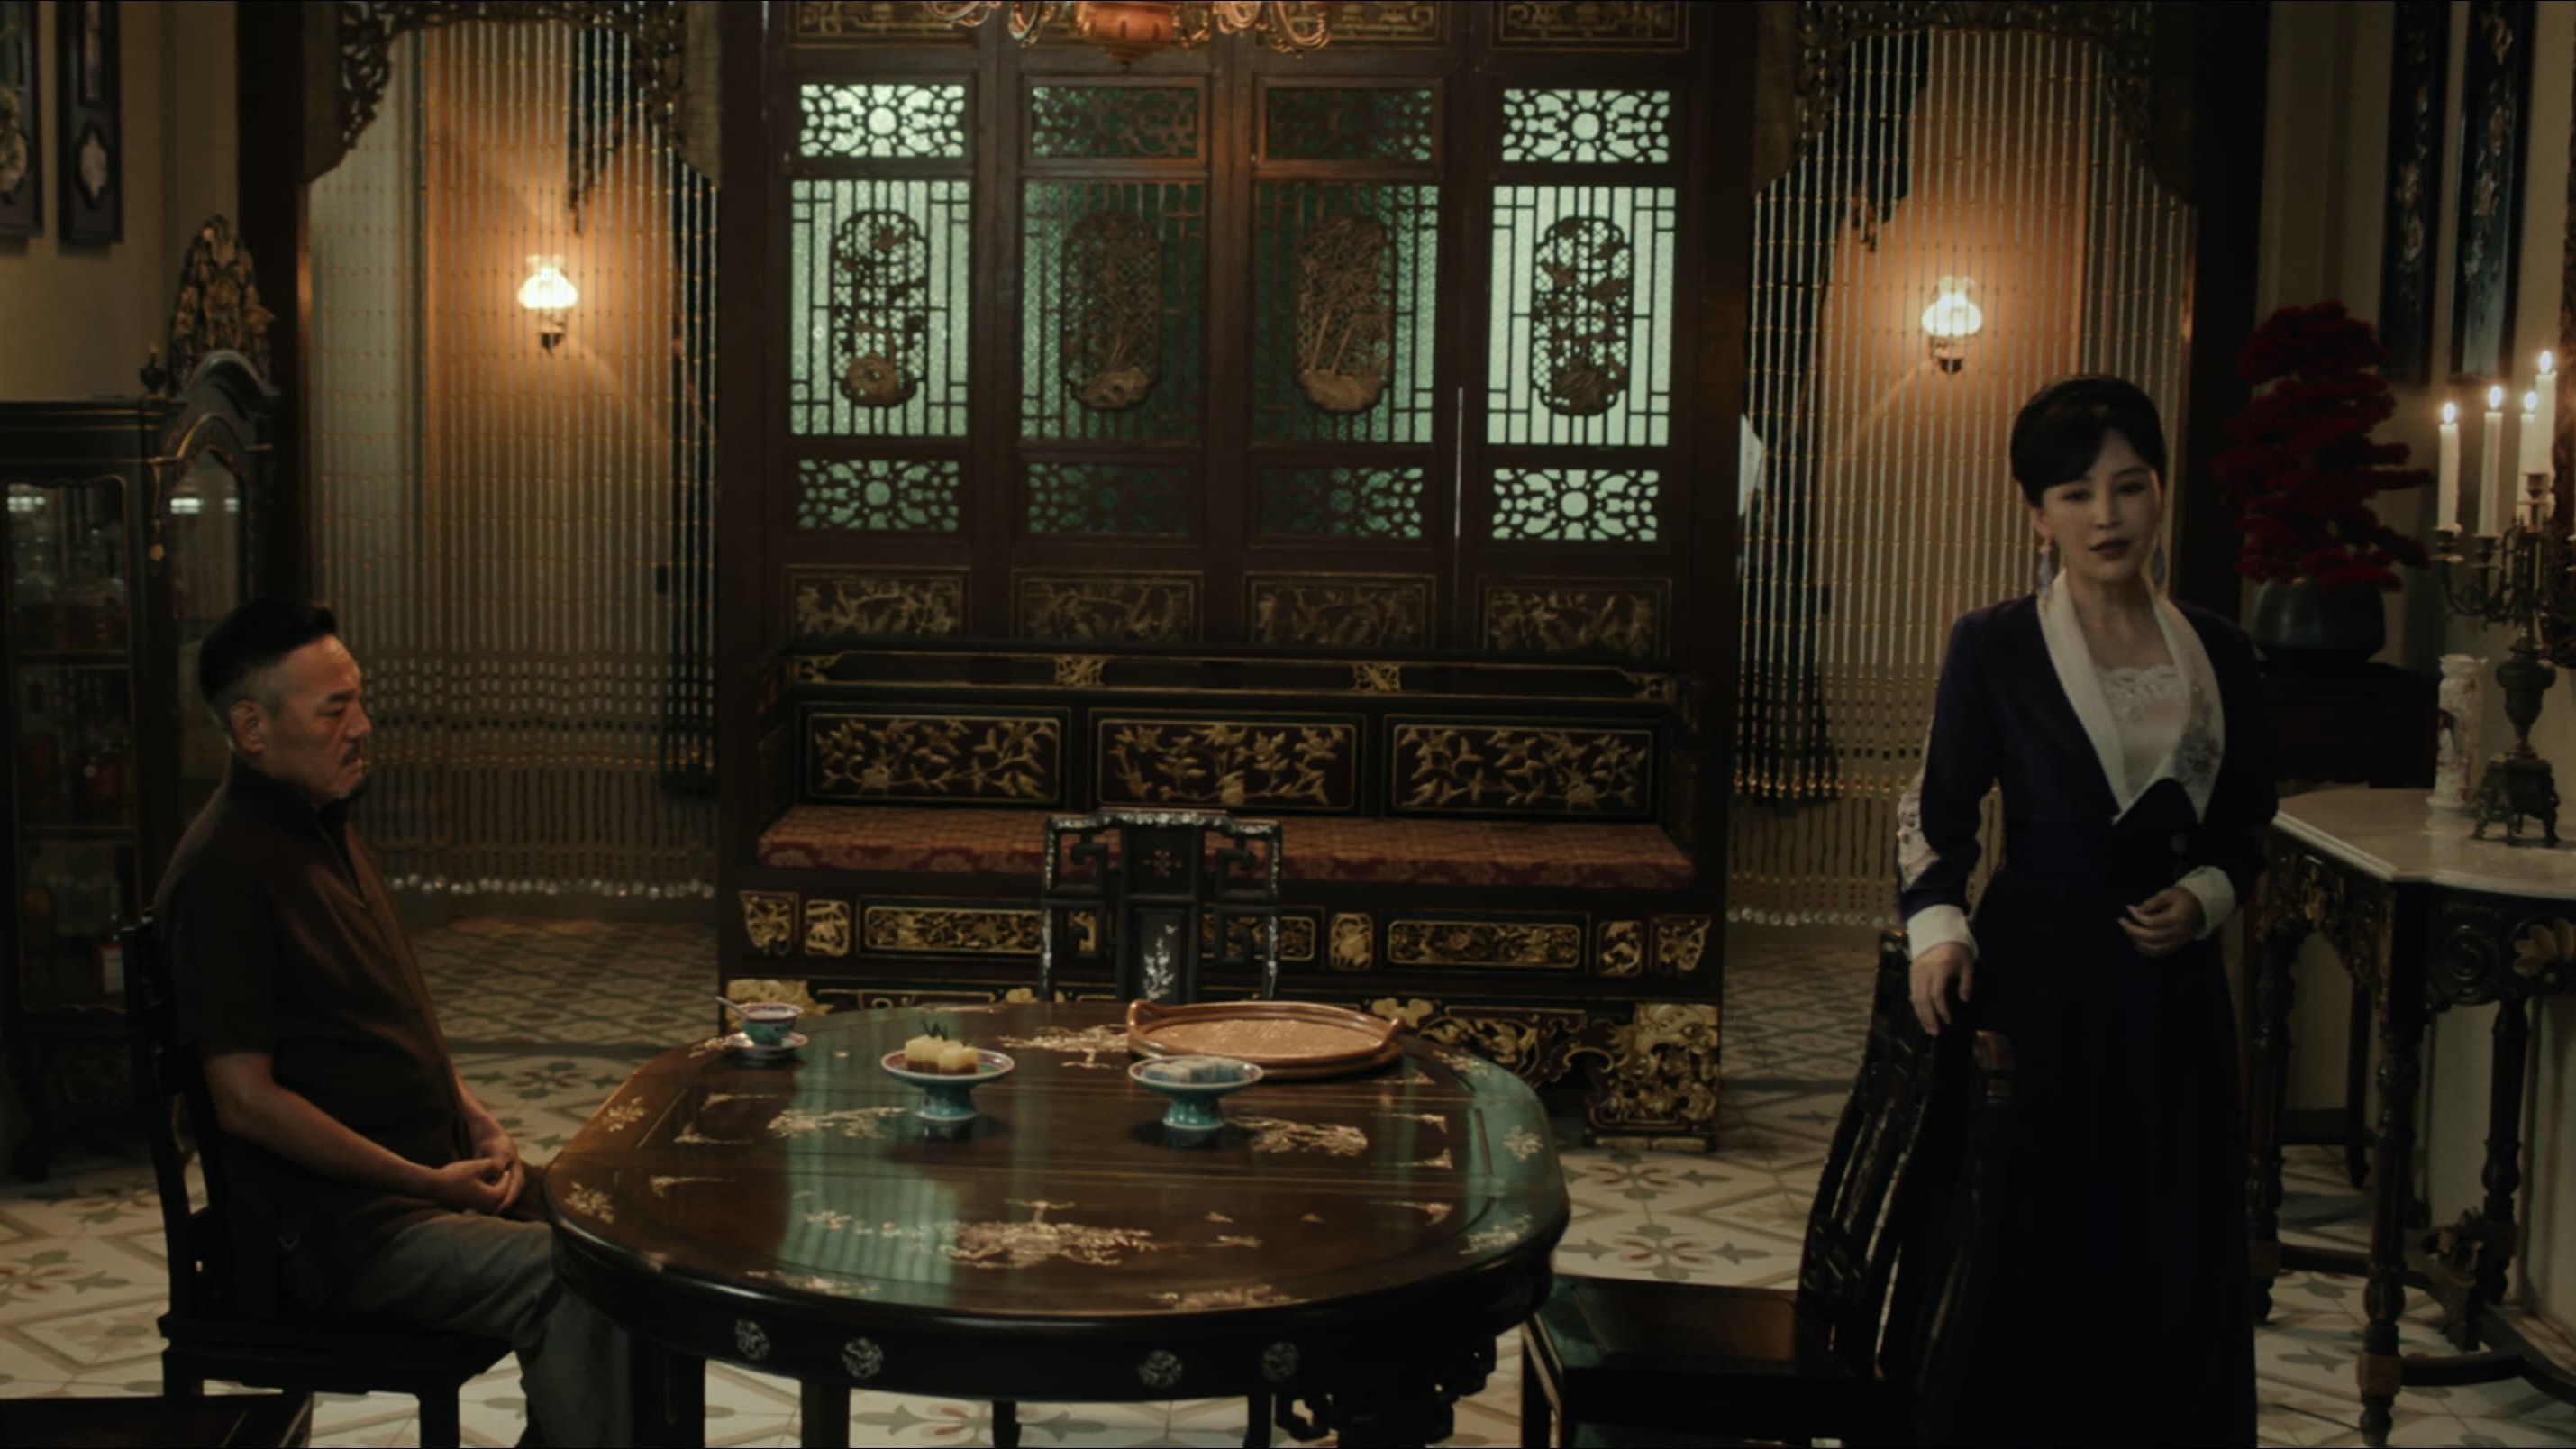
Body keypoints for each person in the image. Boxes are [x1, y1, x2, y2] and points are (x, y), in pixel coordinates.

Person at [153, 598, 632, 1446]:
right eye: (333, 710)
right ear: (251, 727)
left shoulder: (320, 827)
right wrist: (424, 1183)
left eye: (359, 702)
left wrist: (476, 1120)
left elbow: (394, 1022)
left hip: (424, 1183)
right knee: (575, 1278)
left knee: (637, 1241)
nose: (363, 726)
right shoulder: (223, 870)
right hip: (338, 1235)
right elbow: (244, 1101)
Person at [1895, 377, 2272, 1445]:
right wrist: (1938, 932)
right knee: (2030, 1237)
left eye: (2129, 486)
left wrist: (2206, 897)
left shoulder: (2222, 651)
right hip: (2038, 978)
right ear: (2038, 514)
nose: (2107, 516)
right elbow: (1939, 813)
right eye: (2075, 493)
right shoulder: (1994, 644)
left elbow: (2247, 823)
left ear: (2161, 494)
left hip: (2171, 994)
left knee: (2168, 1236)